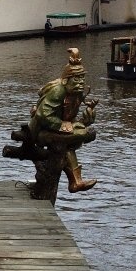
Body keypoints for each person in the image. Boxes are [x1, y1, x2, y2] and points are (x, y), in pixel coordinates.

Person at [28, 48, 97, 192]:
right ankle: (75, 181)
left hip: (55, 128)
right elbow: (42, 115)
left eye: (82, 79)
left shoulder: (76, 93)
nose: (81, 82)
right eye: (77, 79)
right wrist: (63, 125)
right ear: (66, 80)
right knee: (78, 135)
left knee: (73, 140)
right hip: (41, 130)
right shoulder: (58, 91)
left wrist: (87, 116)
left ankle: (76, 181)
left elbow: (70, 117)